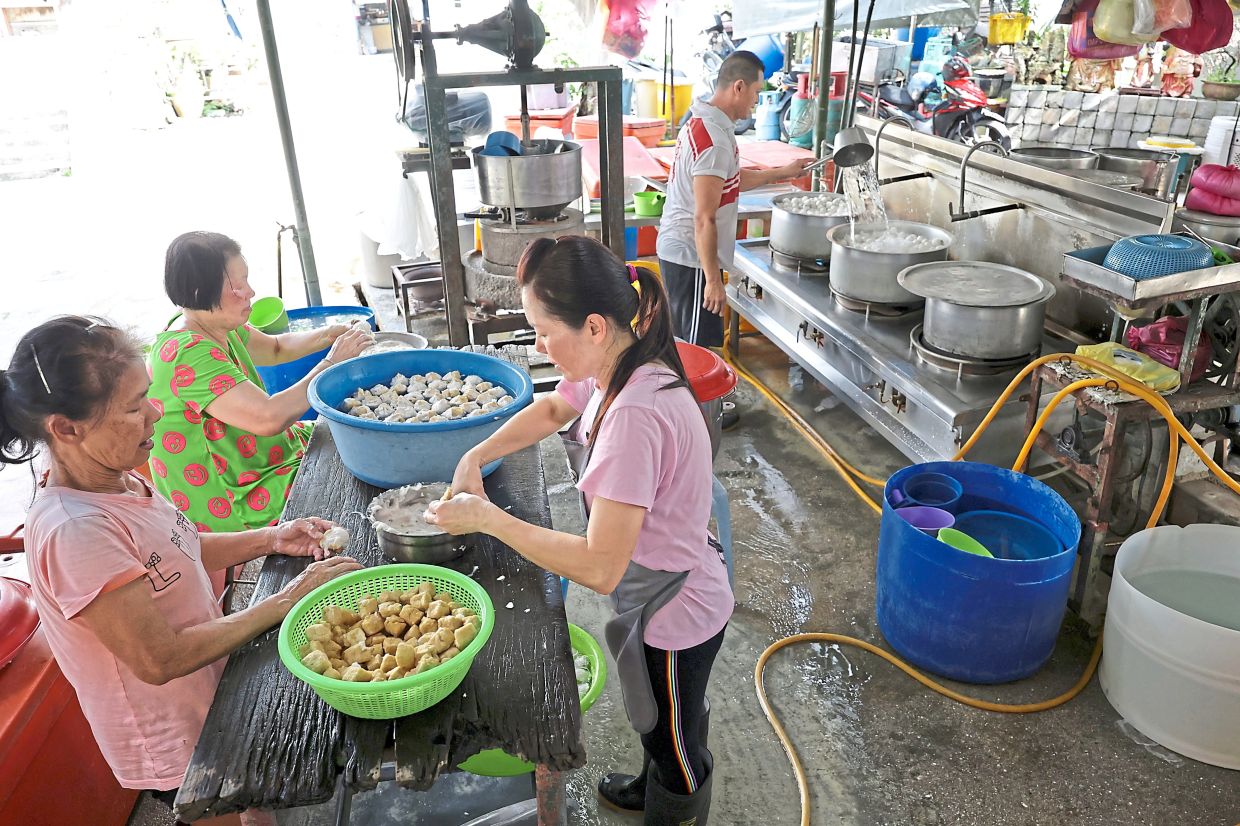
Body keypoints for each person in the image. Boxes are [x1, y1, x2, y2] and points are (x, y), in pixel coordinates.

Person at [0, 316, 362, 825]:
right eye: (132, 408)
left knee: (254, 809)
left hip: (208, 694)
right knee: (224, 809)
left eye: (147, 394)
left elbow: (176, 550)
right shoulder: (74, 531)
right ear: (65, 428)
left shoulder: (116, 480)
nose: (154, 414)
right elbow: (158, 659)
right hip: (172, 737)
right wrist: (287, 600)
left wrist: (269, 537)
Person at [425, 236, 732, 825]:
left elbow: (598, 566)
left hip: (676, 610)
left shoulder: (634, 417)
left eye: (544, 330)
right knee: (659, 714)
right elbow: (550, 411)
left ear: (593, 325)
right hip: (657, 582)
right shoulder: (619, 362)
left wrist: (488, 519)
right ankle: (653, 783)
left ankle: (676, 806)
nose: (539, 345)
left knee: (676, 738)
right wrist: (477, 453)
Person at [149, 231, 372, 535]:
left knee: (350, 431)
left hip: (262, 456)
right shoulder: (186, 354)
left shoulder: (213, 323)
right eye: (237, 286)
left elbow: (276, 347)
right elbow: (269, 418)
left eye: (247, 280)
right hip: (233, 492)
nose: (250, 292)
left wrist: (329, 334)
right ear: (201, 291)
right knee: (343, 475)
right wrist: (332, 361)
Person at [657, 51, 813, 350]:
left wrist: (783, 173)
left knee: (694, 346)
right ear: (738, 87)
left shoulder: (704, 123)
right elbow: (704, 217)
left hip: (689, 254)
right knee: (695, 352)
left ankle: (697, 397)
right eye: (755, 92)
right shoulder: (713, 139)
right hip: (692, 258)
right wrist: (713, 280)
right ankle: (695, 398)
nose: (756, 101)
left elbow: (729, 178)